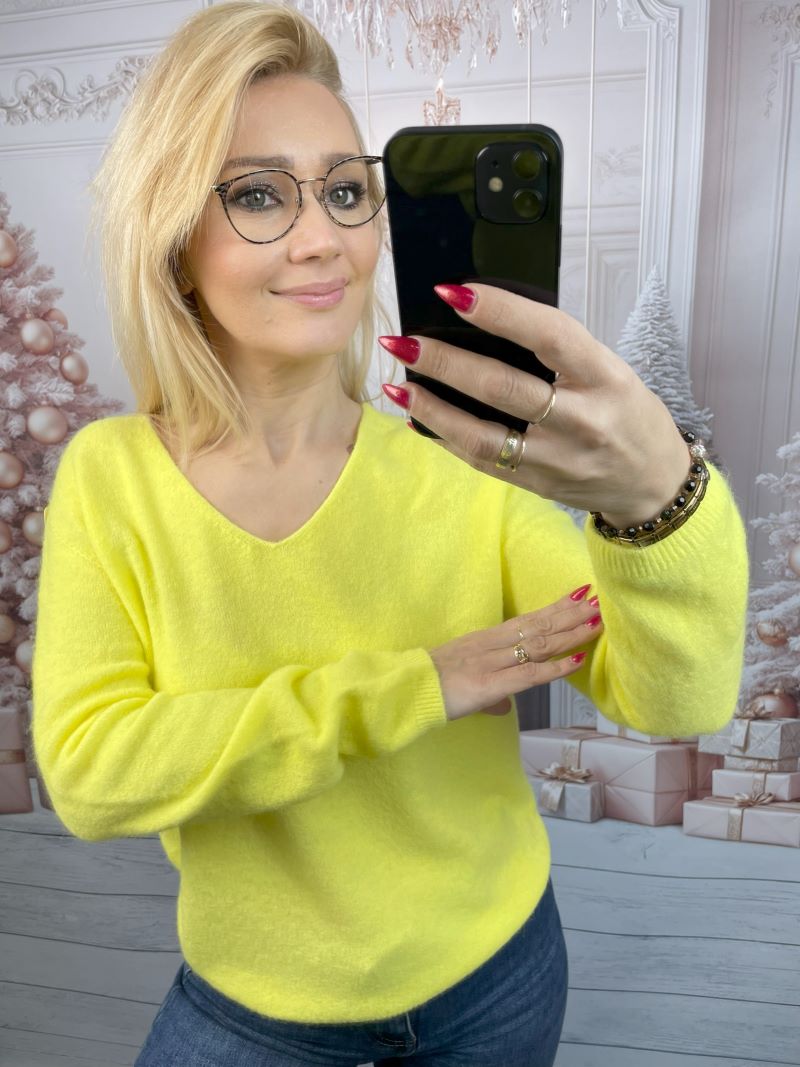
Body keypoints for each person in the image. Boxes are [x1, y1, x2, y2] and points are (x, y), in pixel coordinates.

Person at [31, 3, 748, 1065]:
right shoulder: (112, 475)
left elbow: (672, 700)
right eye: (258, 194)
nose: (322, 236)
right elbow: (93, 774)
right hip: (253, 1006)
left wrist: (660, 501)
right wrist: (416, 685)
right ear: (175, 243)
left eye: (343, 190)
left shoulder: (459, 457)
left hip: (497, 976)